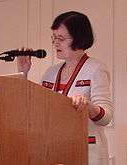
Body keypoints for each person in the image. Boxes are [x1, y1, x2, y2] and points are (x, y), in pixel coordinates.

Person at [17, 11, 114, 165]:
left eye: (61, 38)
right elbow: (34, 110)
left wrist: (87, 106)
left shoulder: (96, 69)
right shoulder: (50, 73)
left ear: (79, 39)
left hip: (87, 152)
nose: (55, 43)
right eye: (54, 38)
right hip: (55, 151)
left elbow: (106, 117)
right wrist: (23, 73)